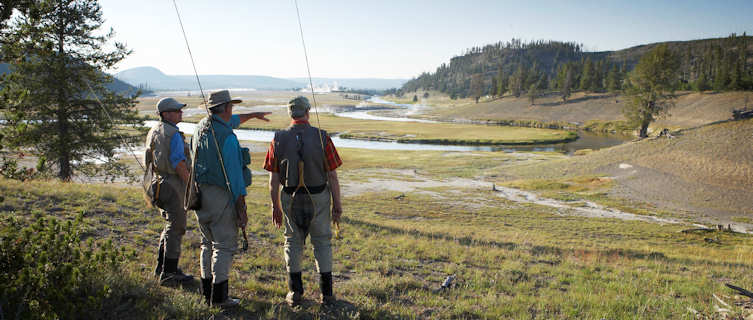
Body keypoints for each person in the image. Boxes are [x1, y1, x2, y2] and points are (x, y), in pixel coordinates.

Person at [190, 89, 270, 307]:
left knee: (206, 243)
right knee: (224, 246)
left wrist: (253, 115)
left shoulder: (200, 128)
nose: (233, 111)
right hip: (221, 197)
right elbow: (235, 177)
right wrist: (241, 206)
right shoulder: (227, 138)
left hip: (200, 195)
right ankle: (220, 298)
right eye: (231, 106)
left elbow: (232, 121)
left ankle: (207, 293)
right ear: (226, 108)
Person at [264, 96, 343, 306]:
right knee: (322, 242)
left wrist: (275, 206)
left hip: (289, 197)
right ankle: (327, 295)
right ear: (307, 112)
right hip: (319, 197)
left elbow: (273, 178)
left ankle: (295, 293)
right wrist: (337, 205)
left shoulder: (278, 138)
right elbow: (333, 176)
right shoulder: (323, 137)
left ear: (291, 114)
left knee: (292, 242)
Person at [145, 97, 194, 285]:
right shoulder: (173, 134)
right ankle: (170, 273)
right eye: (177, 110)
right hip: (173, 185)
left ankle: (162, 267)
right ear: (166, 114)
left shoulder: (154, 130)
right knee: (177, 227)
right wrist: (190, 185)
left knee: (169, 226)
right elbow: (178, 163)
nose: (181, 113)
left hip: (156, 183)